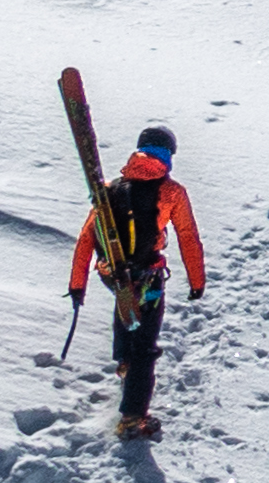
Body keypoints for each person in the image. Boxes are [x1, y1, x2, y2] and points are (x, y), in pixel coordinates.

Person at [70, 126, 210, 441]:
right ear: (169, 156)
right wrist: (196, 281)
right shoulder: (171, 191)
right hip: (148, 275)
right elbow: (188, 236)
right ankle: (133, 418)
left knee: (125, 309)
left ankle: (123, 363)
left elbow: (86, 239)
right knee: (145, 345)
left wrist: (77, 285)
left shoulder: (111, 188)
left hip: (114, 274)